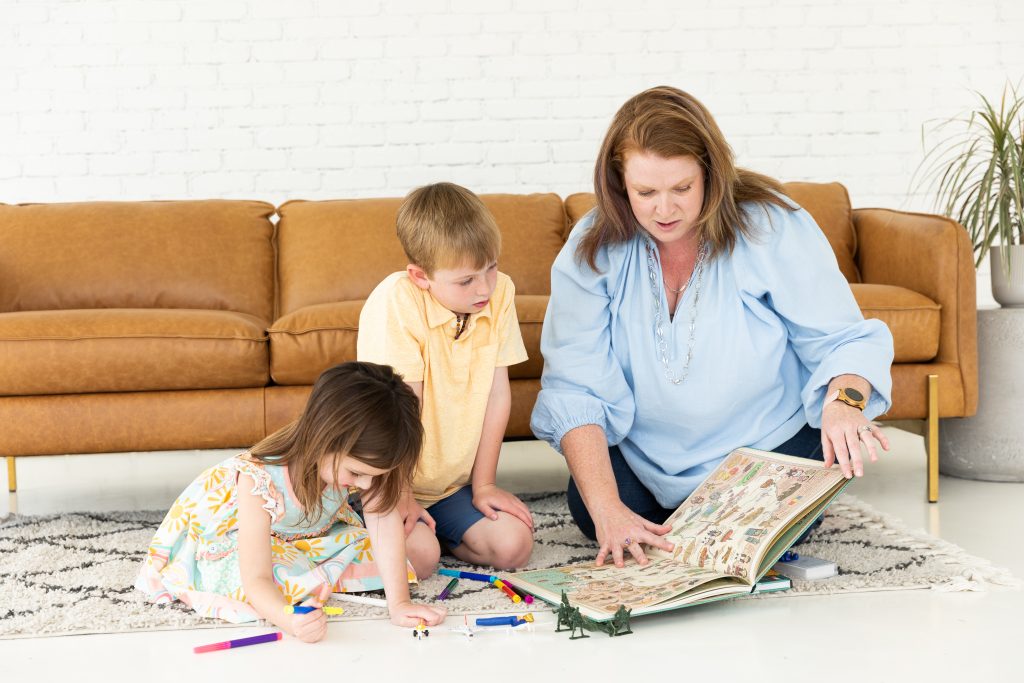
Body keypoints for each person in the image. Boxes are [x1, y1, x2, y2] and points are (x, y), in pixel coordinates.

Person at [531, 86, 895, 569]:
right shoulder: (592, 248)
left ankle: (746, 519)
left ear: (711, 173)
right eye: (646, 193)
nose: (665, 210)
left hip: (765, 448)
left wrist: (845, 405)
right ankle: (703, 522)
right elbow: (575, 383)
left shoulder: (771, 223)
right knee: (595, 511)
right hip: (643, 461)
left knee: (775, 511)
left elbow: (842, 340)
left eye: (682, 188)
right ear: (619, 184)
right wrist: (606, 507)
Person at [136, 362, 447, 642]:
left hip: (305, 535)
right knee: (258, 590)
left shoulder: (364, 465)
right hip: (236, 534)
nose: (365, 486)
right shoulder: (258, 478)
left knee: (422, 551)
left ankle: (309, 579)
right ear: (325, 437)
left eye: (374, 476)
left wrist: (399, 604)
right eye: (357, 473)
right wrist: (290, 621)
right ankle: (306, 582)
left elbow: (381, 518)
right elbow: (256, 577)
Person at [358, 182, 534, 572]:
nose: (485, 288)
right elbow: (400, 411)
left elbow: (496, 396)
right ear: (421, 277)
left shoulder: (500, 292)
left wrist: (484, 485)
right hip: (386, 478)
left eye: (491, 268)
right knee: (420, 560)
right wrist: (400, 493)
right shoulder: (397, 301)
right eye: (466, 281)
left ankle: (433, 531)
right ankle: (363, 528)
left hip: (448, 489)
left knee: (514, 546)